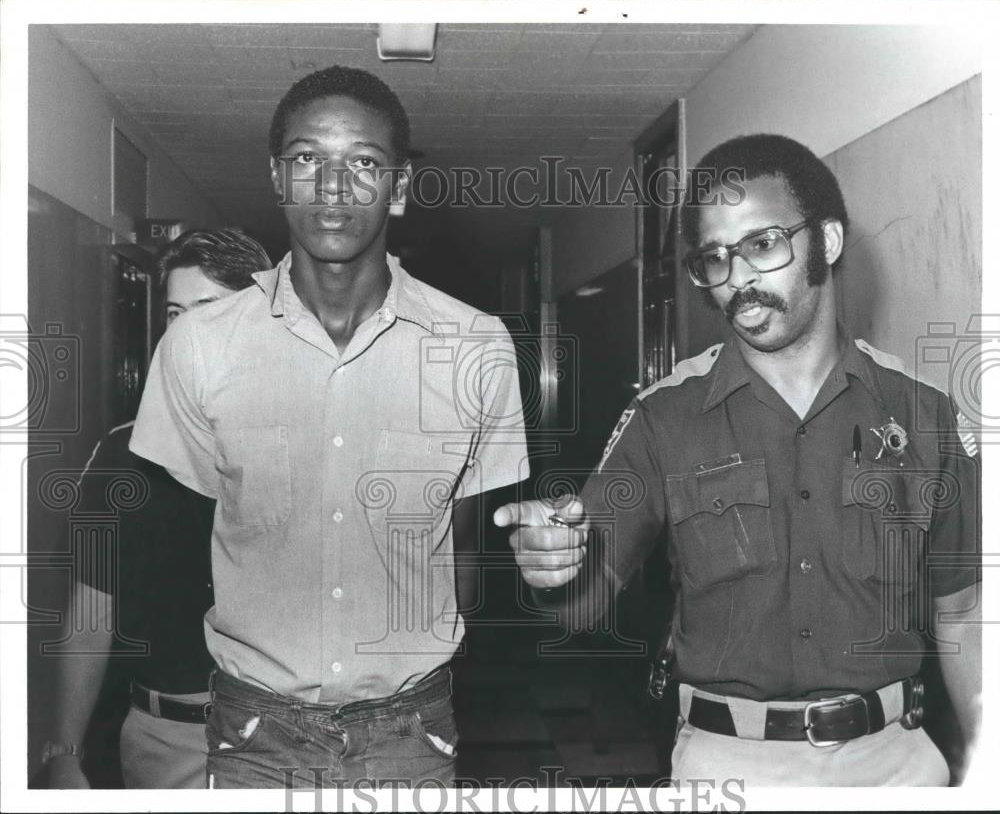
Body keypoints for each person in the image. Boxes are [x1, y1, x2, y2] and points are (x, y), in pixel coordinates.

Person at [496, 134, 981, 787]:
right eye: (714, 258)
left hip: (896, 765)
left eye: (762, 244)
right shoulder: (664, 417)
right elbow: (584, 601)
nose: (737, 278)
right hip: (729, 768)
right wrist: (552, 567)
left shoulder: (923, 416)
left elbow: (964, 610)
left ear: (827, 242)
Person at [128, 66, 528, 789]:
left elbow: (463, 550)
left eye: (365, 163)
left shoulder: (477, 345)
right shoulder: (197, 346)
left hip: (412, 734)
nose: (334, 188)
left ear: (400, 188)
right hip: (254, 732)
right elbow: (189, 535)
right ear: (278, 177)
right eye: (308, 159)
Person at [45, 229, 272, 789]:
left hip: (284, 738)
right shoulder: (123, 454)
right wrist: (63, 751)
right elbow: (91, 611)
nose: (187, 330)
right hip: (164, 742)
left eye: (208, 309)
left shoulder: (311, 444)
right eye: (175, 312)